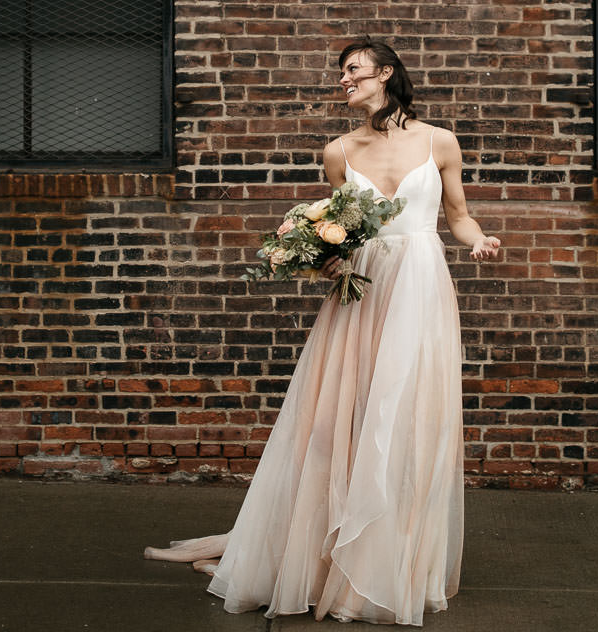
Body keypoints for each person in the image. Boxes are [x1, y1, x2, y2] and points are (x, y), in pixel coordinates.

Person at [146, 38, 502, 625]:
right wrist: (325, 258)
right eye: (341, 74)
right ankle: (322, 558)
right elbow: (342, 227)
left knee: (409, 416)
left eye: (354, 71)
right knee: (340, 415)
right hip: (361, 290)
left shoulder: (439, 141)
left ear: (386, 73)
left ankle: (393, 563)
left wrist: (479, 240)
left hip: (418, 284)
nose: (345, 81)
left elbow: (458, 216)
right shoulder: (339, 151)